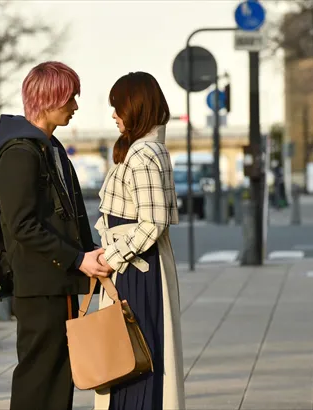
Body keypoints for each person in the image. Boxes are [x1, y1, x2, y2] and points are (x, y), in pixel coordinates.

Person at [0, 61, 112, 410]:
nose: (75, 106)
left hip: (57, 280)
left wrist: (89, 253)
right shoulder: (20, 153)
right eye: (70, 98)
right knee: (38, 377)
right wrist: (77, 258)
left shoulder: (49, 147)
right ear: (48, 99)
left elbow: (66, 215)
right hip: (38, 285)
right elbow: (22, 225)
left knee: (57, 375)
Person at [93, 72, 186, 410]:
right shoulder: (146, 148)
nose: (115, 115)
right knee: (135, 359)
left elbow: (154, 220)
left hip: (136, 270)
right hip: (137, 266)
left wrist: (113, 256)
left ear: (136, 108)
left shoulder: (143, 153)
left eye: (118, 108)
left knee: (132, 361)